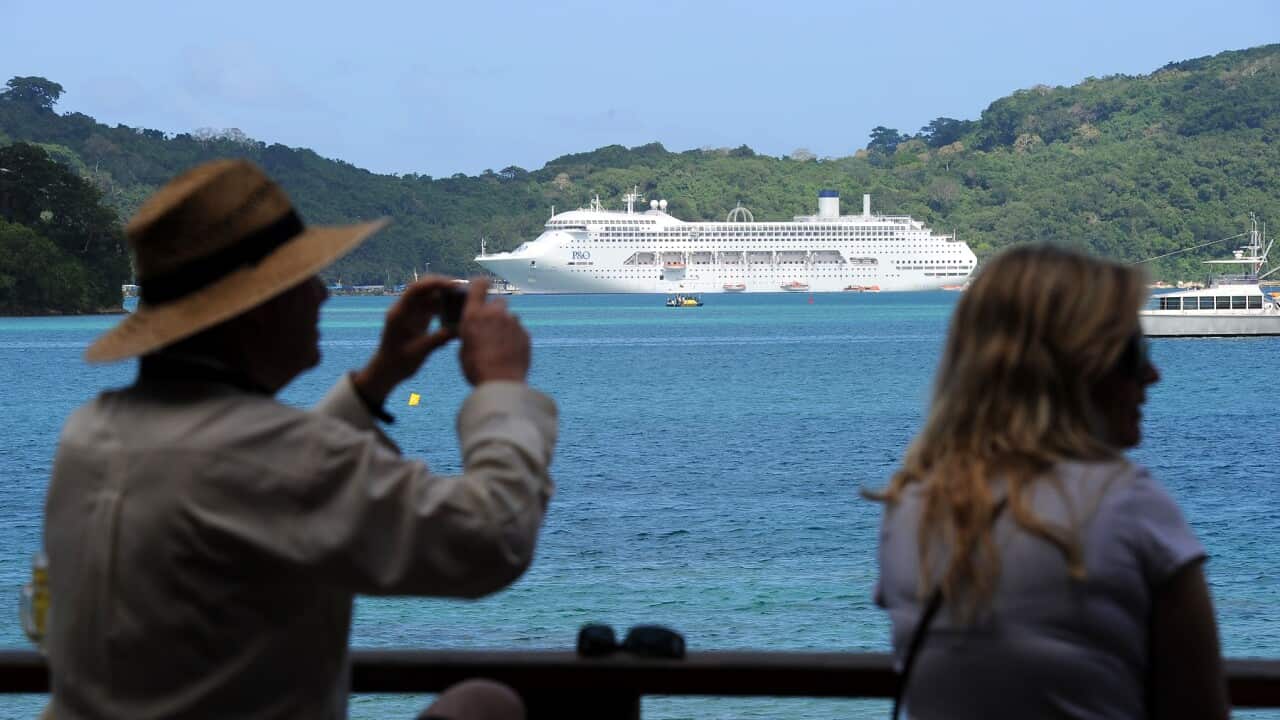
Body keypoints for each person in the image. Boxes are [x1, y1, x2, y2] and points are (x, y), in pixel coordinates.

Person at [42, 159, 557, 719]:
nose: (322, 296)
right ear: (256, 312)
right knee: (488, 704)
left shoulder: (88, 434)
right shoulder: (274, 459)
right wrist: (502, 389)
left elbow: (262, 469)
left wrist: (377, 379)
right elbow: (489, 540)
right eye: (300, 280)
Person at [871, 244, 1228, 719]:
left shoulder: (912, 505)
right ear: (1071, 367)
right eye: (1130, 352)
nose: (1152, 373)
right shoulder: (1126, 504)